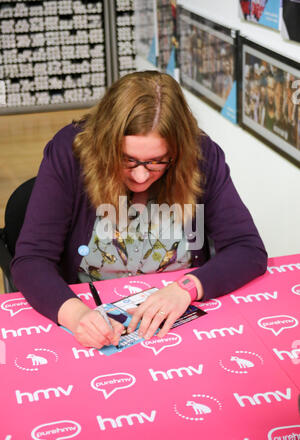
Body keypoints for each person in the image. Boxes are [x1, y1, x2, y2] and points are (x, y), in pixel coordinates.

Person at [11, 70, 268, 350]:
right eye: (128, 160)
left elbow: (247, 248)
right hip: (94, 314)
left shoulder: (201, 156)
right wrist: (77, 315)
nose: (141, 177)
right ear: (104, 145)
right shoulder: (70, 153)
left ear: (178, 151)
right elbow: (32, 259)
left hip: (180, 321)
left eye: (157, 162)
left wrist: (188, 288)